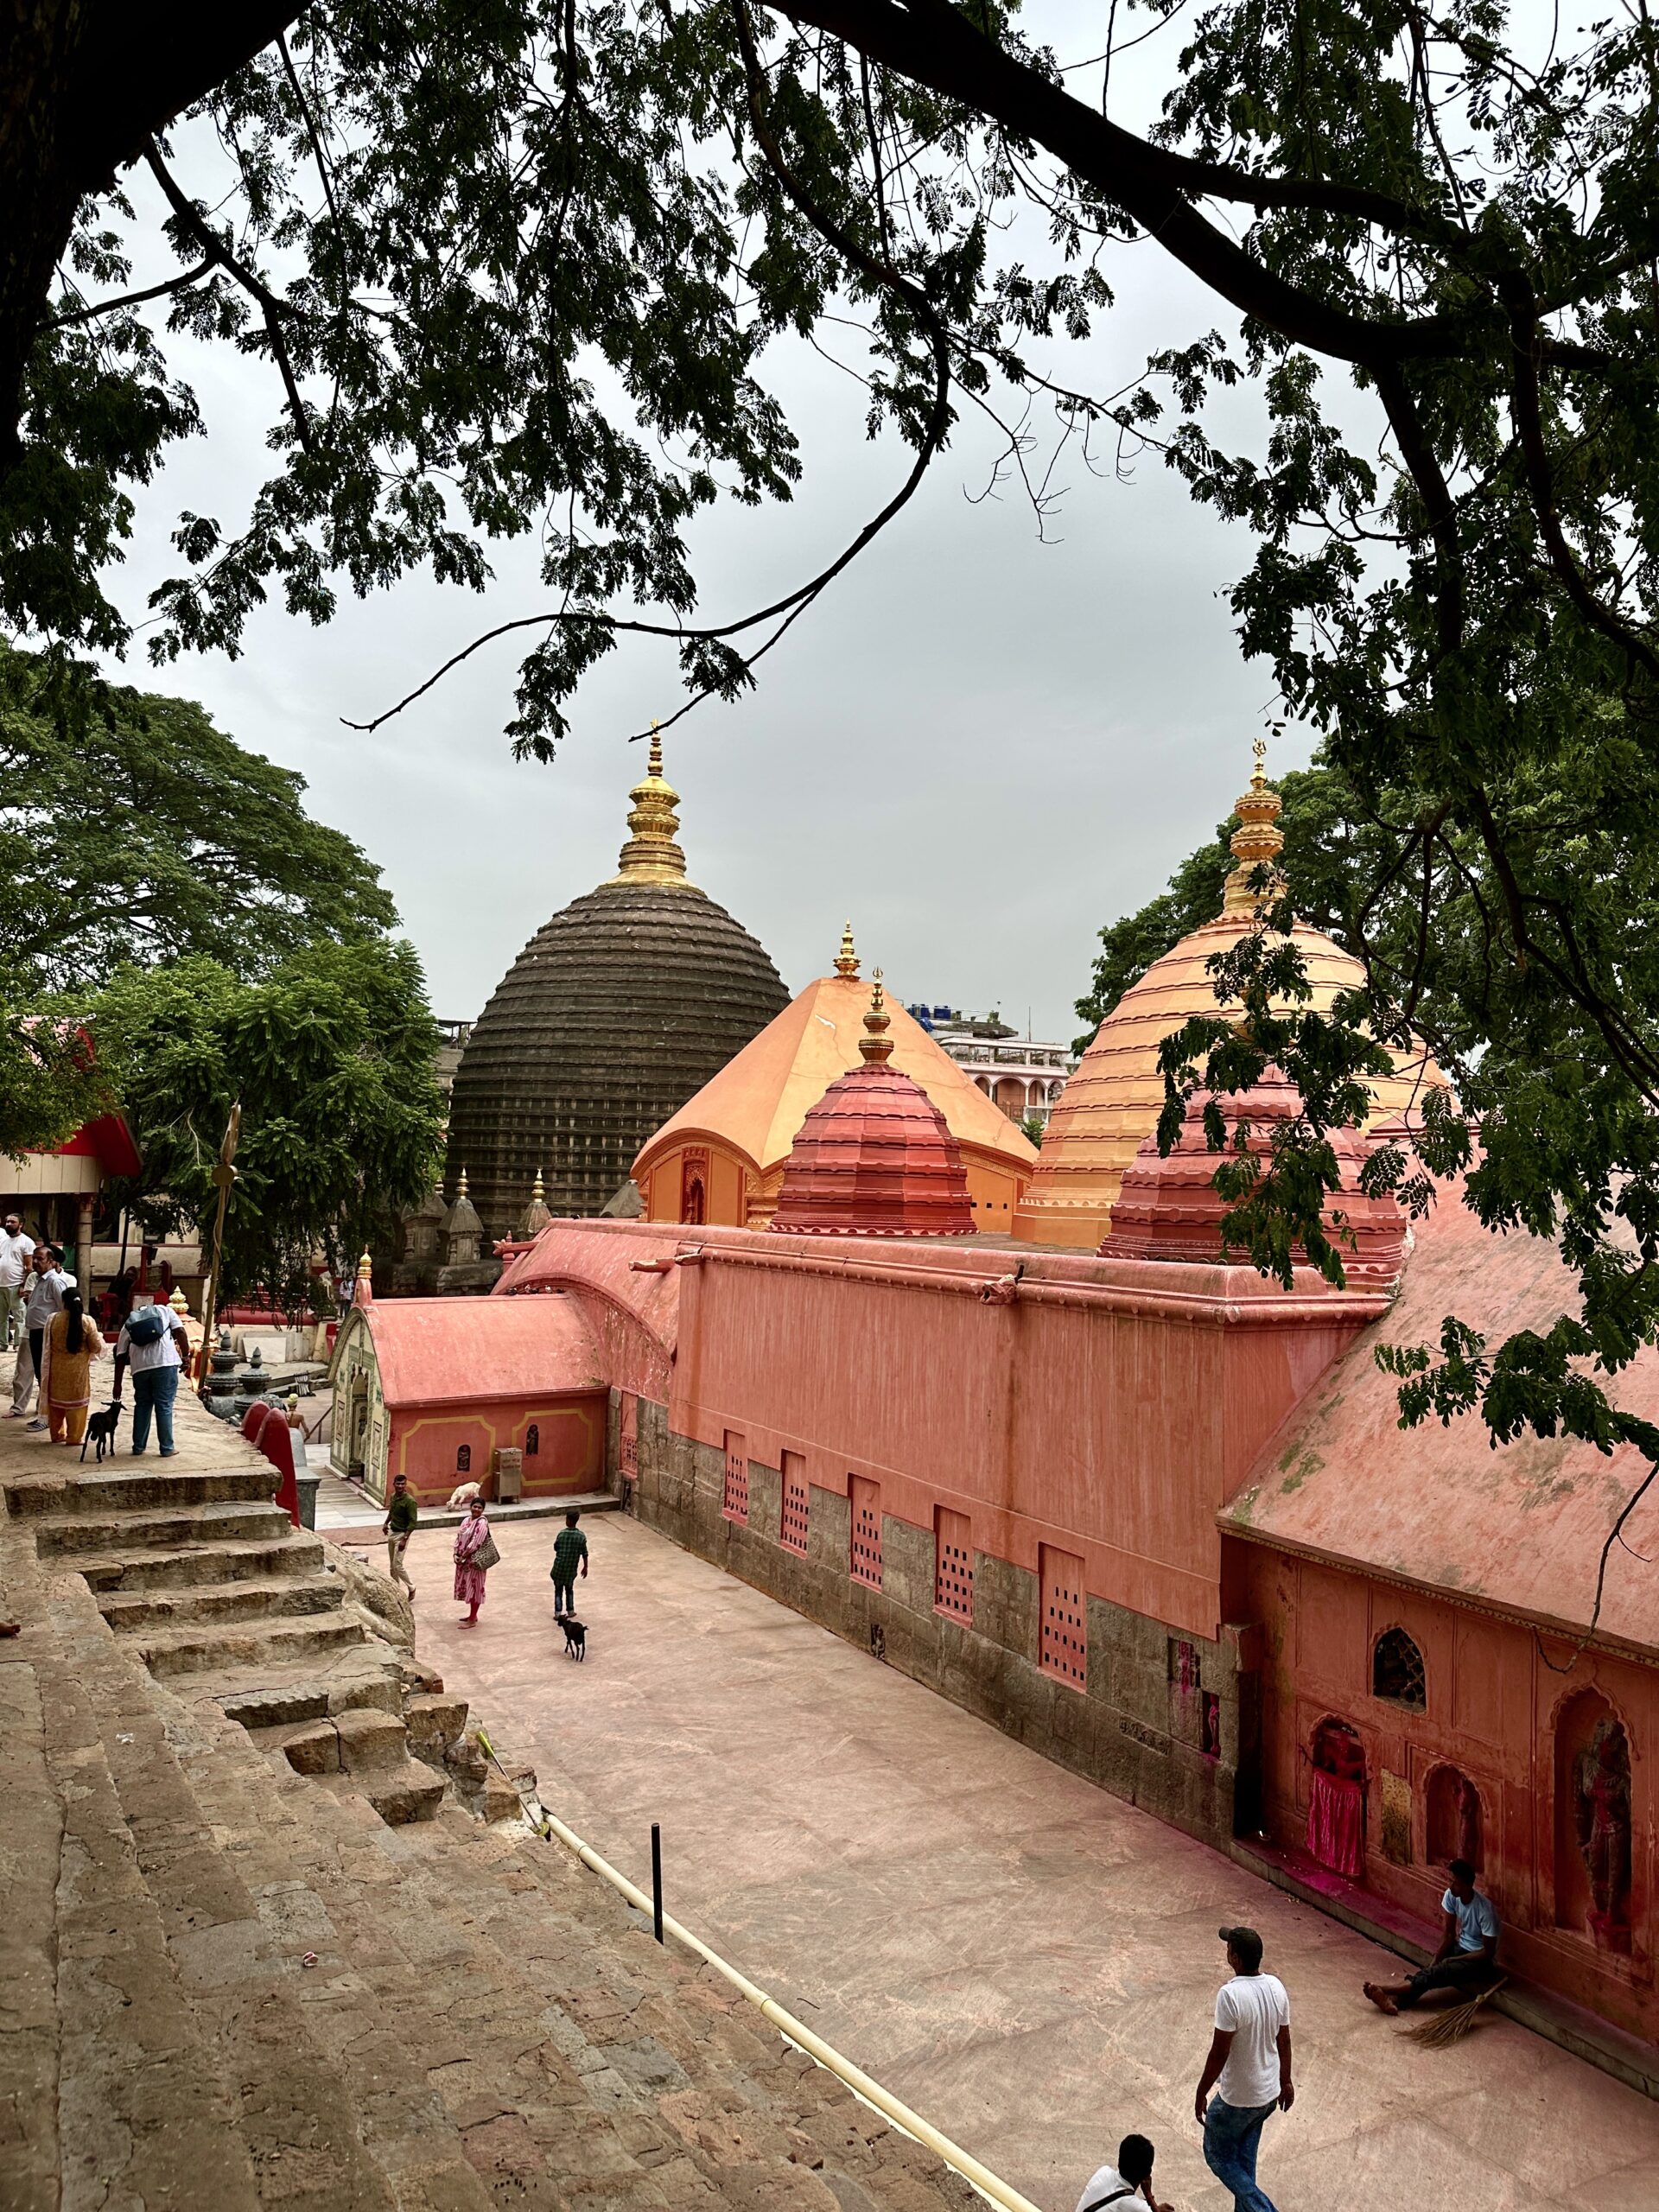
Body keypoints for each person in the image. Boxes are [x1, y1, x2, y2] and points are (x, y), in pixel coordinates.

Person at [1195, 1925, 1293, 2212]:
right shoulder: (1276, 1987)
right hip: (1268, 2095)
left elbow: (1219, 2052)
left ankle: (1263, 2209)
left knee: (1218, 2155)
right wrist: (1285, 2082)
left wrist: (1201, 2092)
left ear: (1235, 1958)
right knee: (1244, 2162)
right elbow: (1284, 2039)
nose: (1227, 1951)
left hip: (1239, 2099)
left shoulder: (1230, 1995)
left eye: (1229, 1948)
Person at [1363, 1860, 1499, 2013]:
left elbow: (1488, 1952)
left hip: (1478, 1962)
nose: (1450, 1886)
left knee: (1437, 1973)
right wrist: (1435, 1961)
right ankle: (1396, 2000)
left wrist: (1454, 1960)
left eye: (1456, 1883)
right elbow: (1448, 1935)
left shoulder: (1485, 1910)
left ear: (1468, 1886)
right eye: (1450, 1881)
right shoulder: (1452, 1895)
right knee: (1430, 1971)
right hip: (1460, 1948)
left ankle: (1384, 1989)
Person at [114, 1290, 190, 1457]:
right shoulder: (166, 1311)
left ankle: (138, 1446)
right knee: (164, 1405)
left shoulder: (129, 1322)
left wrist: (117, 1384)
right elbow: (181, 1332)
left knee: (142, 1405)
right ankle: (167, 1448)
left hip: (140, 1369)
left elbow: (120, 1355)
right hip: (165, 1363)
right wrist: (186, 1356)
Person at [22, 1244, 74, 1433]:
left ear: (51, 1262)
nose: (35, 1262)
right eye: (34, 1258)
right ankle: (44, 1414)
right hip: (37, 1333)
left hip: (48, 1334)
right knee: (40, 1375)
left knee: (46, 1377)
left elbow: (64, 1310)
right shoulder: (40, 1280)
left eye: (40, 1259)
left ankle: (47, 1418)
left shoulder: (54, 1281)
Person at [45, 1289, 105, 1446]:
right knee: (77, 1406)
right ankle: (74, 1437)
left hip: (57, 1370)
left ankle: (57, 1434)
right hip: (77, 1373)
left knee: (56, 1405)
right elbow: (95, 1347)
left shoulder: (53, 1319)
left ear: (63, 1301)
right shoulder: (87, 1321)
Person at [1075, 2133, 1165, 2210]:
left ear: (1119, 2162)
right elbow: (1133, 2206)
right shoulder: (1131, 2204)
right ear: (1147, 2174)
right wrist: (1149, 2197)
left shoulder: (1103, 2171)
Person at [452, 1495, 495, 1625]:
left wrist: (464, 1556)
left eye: (479, 1507)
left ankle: (473, 1618)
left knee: (476, 1587)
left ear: (483, 1510)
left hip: (475, 1562)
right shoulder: (466, 1520)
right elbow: (458, 1537)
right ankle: (472, 1615)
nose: (476, 1509)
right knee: (469, 1587)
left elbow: (476, 1543)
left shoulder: (482, 1523)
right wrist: (455, 1553)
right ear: (470, 1507)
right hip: (463, 1561)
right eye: (474, 1506)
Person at [0, 1211, 35, 1351]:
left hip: (16, 1284)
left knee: (19, 1316)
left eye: (12, 1222)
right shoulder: (3, 1240)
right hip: (1, 1284)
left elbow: (29, 1266)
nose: (9, 1224)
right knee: (1, 1317)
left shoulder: (26, 1242)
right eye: (7, 1221)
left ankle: (19, 1343)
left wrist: (23, 1285)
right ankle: (2, 1343)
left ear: (20, 1224)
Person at [383, 1471, 418, 1599]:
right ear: (394, 1484)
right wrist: (386, 1523)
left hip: (402, 1535)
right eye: (398, 1484)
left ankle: (411, 1587)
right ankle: (396, 1591)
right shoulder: (393, 1497)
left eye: (402, 1484)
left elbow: (413, 1522)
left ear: (405, 1485)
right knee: (392, 1566)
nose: (400, 1486)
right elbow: (391, 1511)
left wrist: (405, 1538)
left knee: (398, 1565)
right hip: (392, 1532)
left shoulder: (410, 1502)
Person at [550, 1506, 588, 1618]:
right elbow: (585, 1553)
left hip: (559, 1568)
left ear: (568, 1520)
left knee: (558, 1590)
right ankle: (571, 1611)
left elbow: (556, 1548)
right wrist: (585, 1567)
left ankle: (558, 1613)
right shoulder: (581, 1536)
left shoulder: (561, 1534)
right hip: (571, 1570)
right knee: (569, 1590)